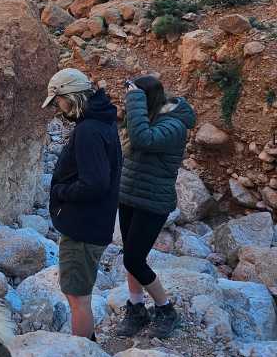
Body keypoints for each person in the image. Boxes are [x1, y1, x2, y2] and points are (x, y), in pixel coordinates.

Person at [43, 68, 122, 342]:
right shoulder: (103, 120)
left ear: (70, 97)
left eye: (58, 101)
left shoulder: (88, 130)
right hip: (94, 222)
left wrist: (62, 191)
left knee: (77, 297)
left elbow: (95, 183)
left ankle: (81, 356)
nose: (58, 108)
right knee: (77, 292)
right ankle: (88, 345)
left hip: (84, 229)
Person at [114, 74, 196, 338]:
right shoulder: (149, 115)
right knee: (130, 258)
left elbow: (143, 140)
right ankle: (137, 309)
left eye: (134, 98)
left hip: (153, 203)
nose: (129, 104)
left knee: (134, 260)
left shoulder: (174, 125)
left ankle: (166, 309)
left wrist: (135, 99)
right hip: (130, 196)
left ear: (144, 99)